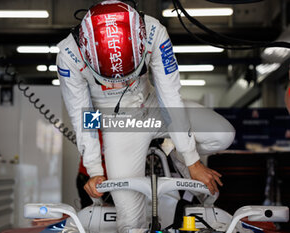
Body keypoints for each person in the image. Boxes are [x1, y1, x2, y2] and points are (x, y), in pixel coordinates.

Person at [56, 1, 235, 232]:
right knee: (130, 222)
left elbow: (170, 97)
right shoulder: (69, 55)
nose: (121, 82)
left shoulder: (153, 31)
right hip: (118, 123)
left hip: (155, 104)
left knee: (223, 134)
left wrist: (192, 160)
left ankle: (178, 153)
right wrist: (95, 171)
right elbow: (84, 115)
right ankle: (177, 149)